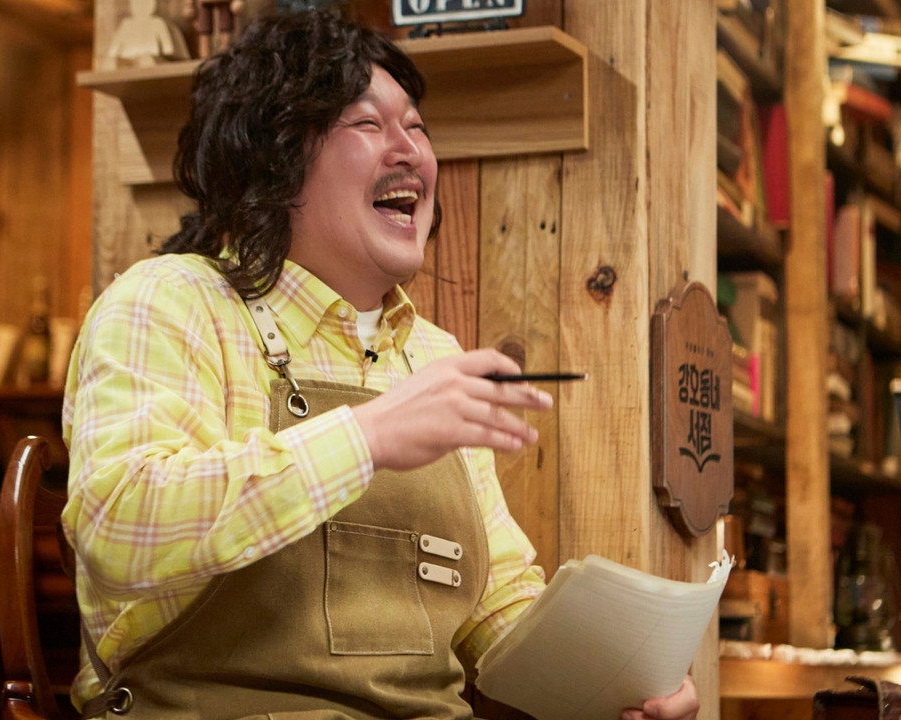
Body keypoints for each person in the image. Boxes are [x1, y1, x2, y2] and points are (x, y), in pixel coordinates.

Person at [62, 9, 699, 720]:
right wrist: (365, 438)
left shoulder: (433, 355)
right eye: (368, 124)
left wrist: (617, 680)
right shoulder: (171, 301)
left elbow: (497, 604)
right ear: (272, 158)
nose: (410, 152)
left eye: (418, 128)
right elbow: (118, 526)